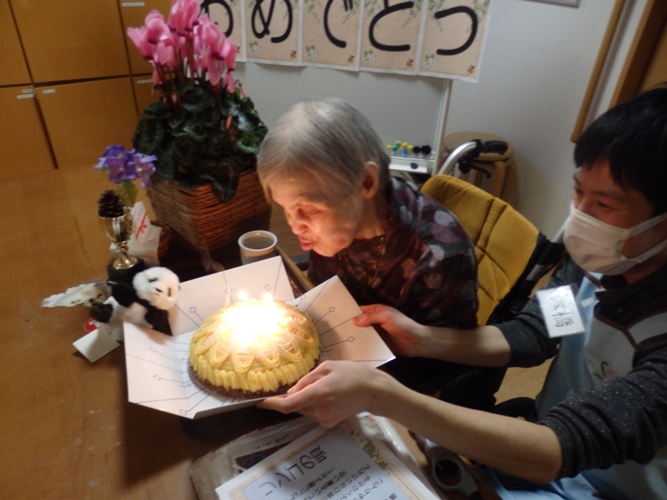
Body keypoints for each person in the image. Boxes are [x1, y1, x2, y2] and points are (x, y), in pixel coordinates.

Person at [259, 85, 667, 499]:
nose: (579, 218)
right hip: (530, 463)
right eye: (578, 192)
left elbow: (563, 448)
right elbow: (539, 333)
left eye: (605, 206)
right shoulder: (593, 265)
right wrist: (424, 339)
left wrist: (382, 395)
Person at [256, 98, 505, 409]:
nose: (295, 226)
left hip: (403, 380)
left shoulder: (438, 256)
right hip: (340, 340)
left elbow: (451, 358)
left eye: (308, 210)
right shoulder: (342, 218)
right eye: (285, 209)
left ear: (366, 182)